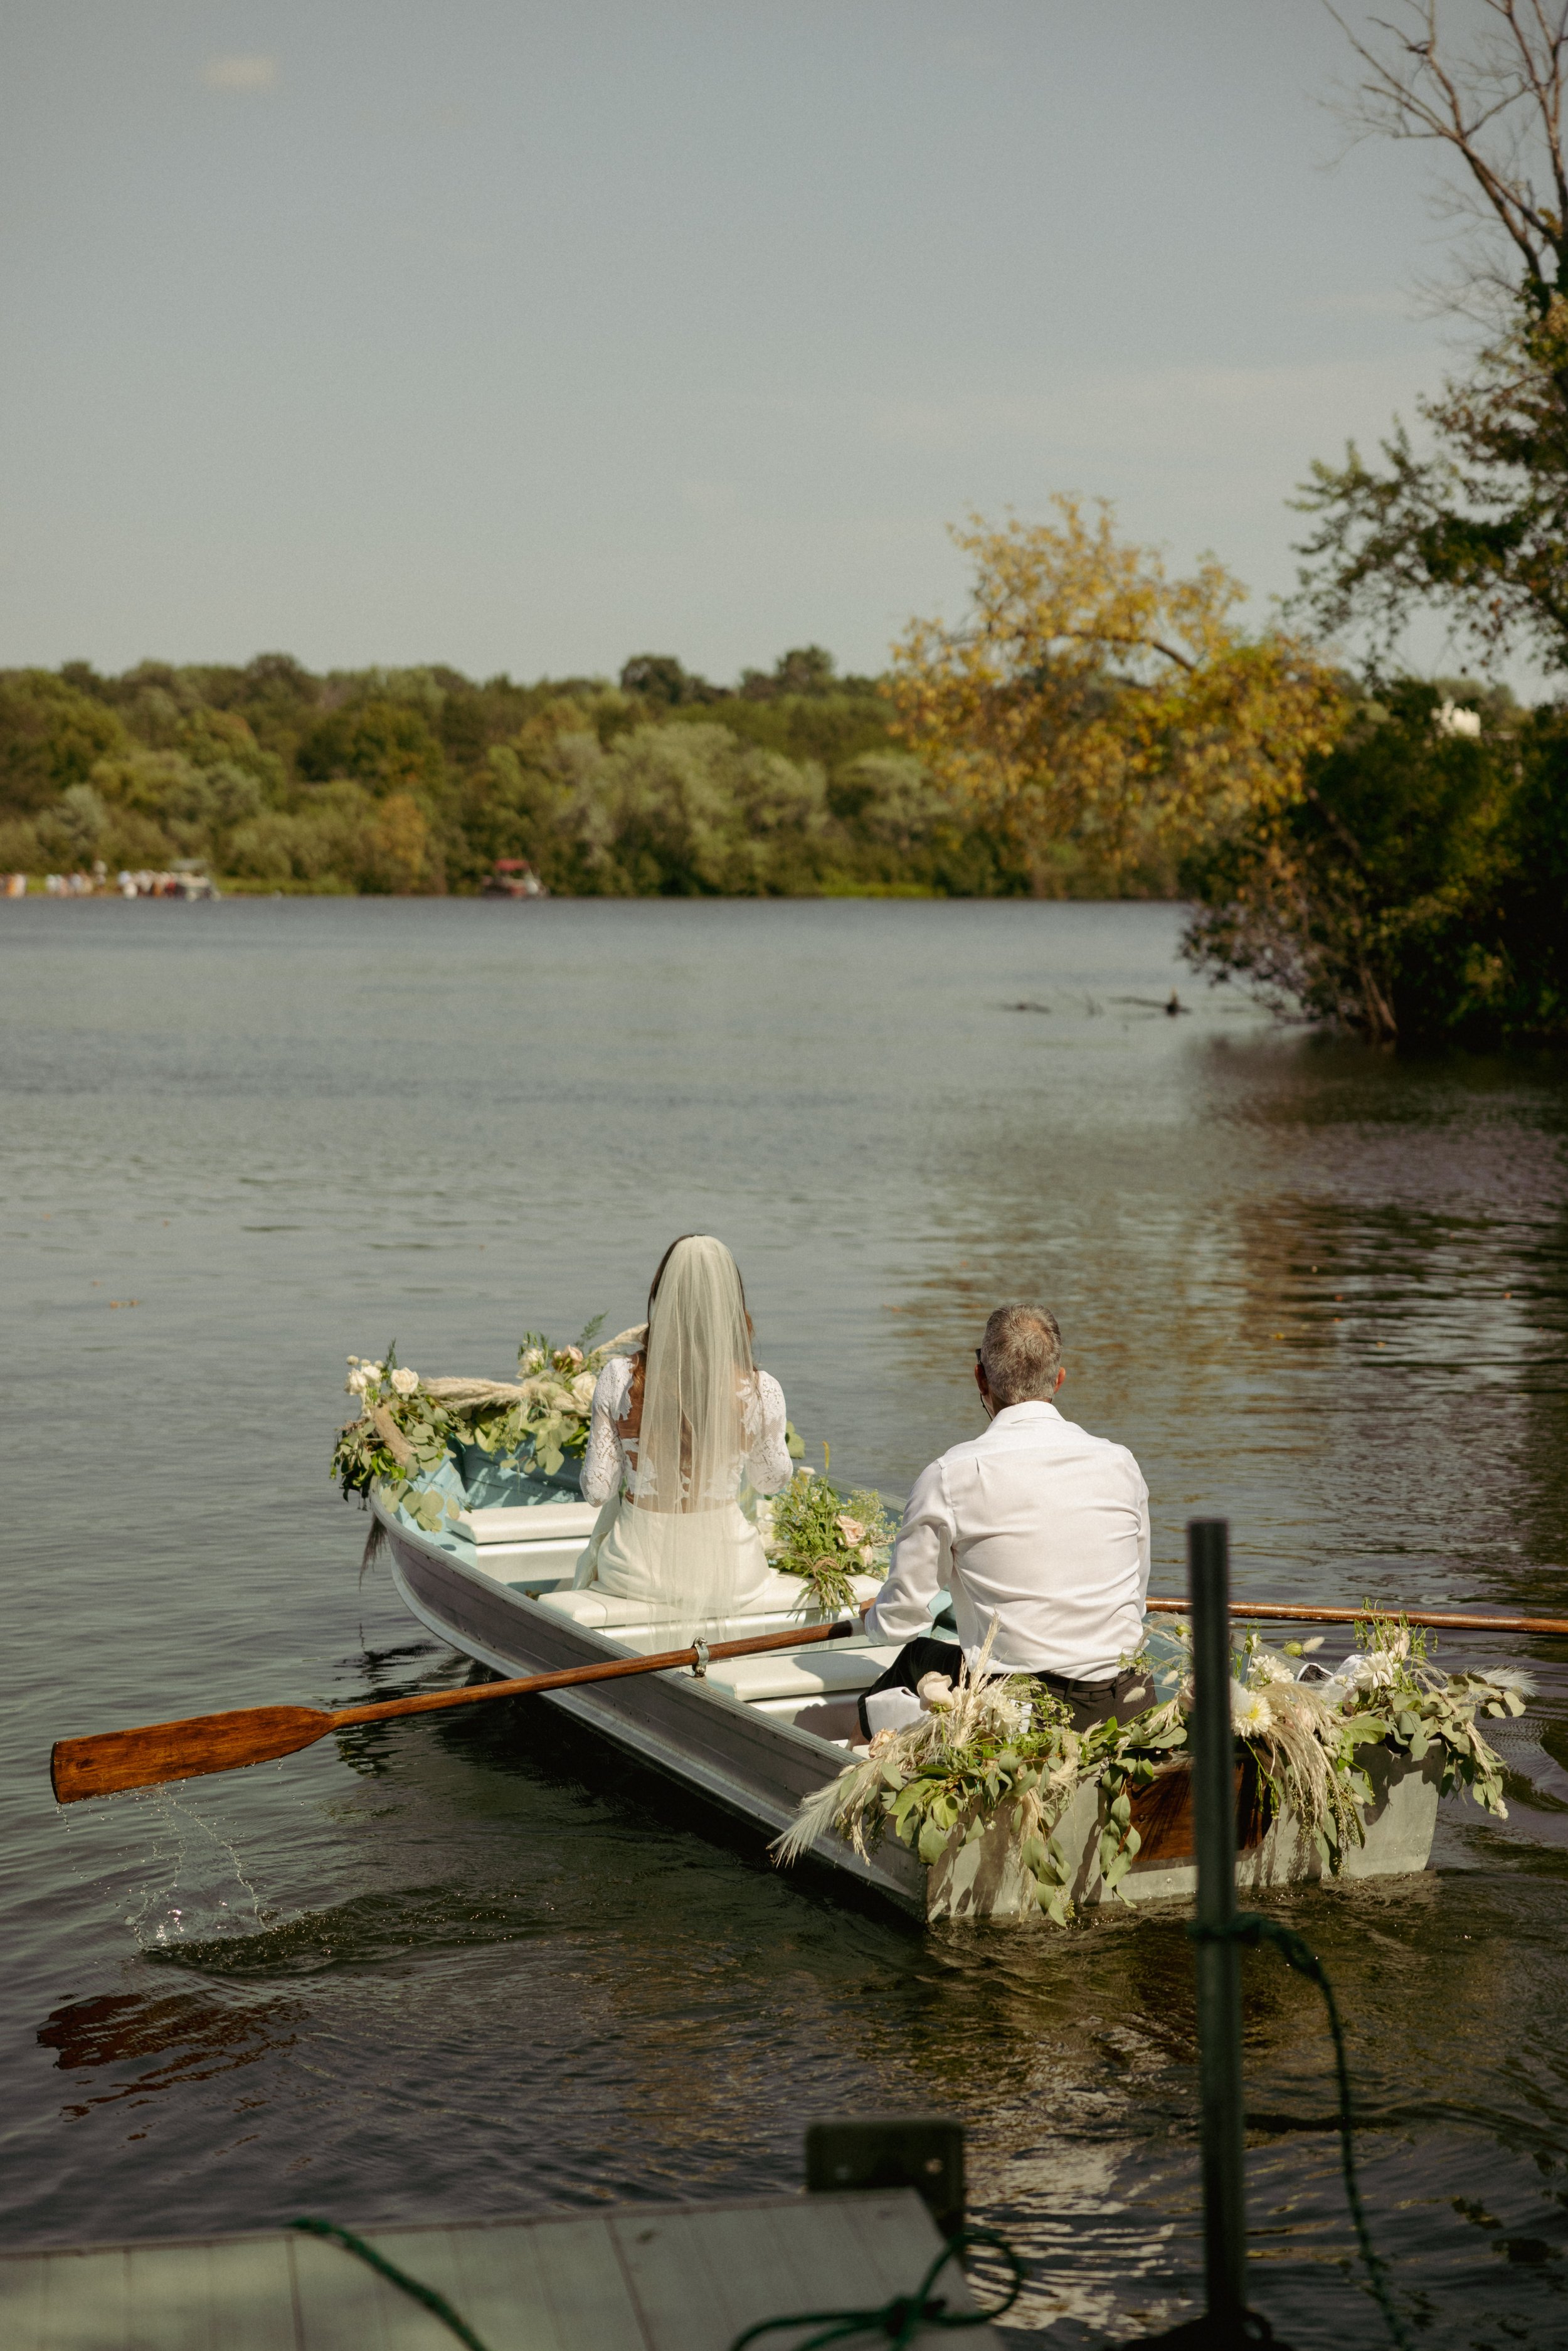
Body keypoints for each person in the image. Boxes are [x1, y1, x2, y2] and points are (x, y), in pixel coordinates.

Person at [806, 1303, 1151, 1743]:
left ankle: (849, 1771)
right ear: (1059, 1380)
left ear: (980, 1379)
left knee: (915, 1656)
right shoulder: (1121, 1463)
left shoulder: (950, 1476)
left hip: (1026, 1713)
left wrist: (878, 1616)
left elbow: (900, 1621)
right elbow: (1134, 1599)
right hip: (1128, 1700)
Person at [575, 1233, 793, 1623]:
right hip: (731, 1573)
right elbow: (770, 1482)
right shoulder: (761, 1390)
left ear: (662, 1297)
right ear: (732, 1303)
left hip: (636, 1570)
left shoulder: (618, 1377)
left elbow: (597, 1490)